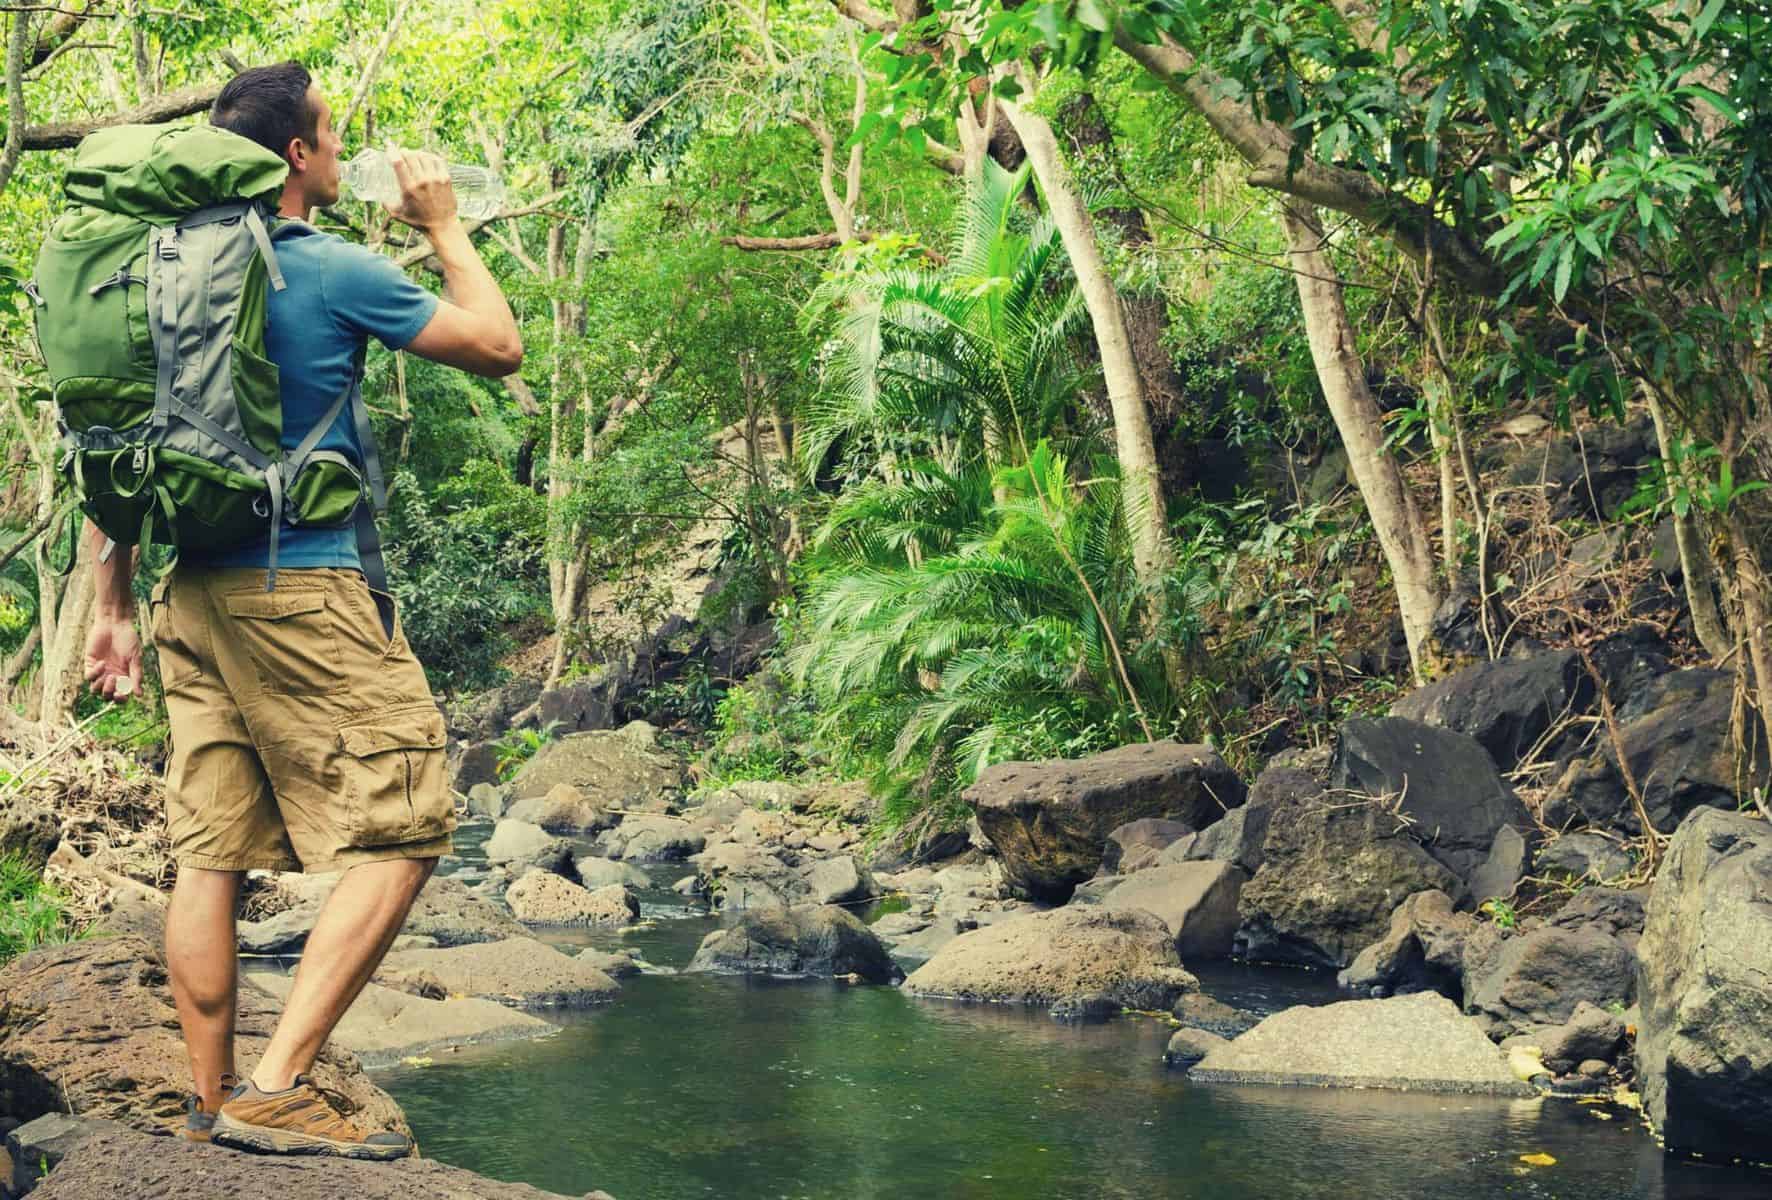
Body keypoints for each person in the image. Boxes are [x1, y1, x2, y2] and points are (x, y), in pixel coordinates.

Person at [79, 61, 521, 1160]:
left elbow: (113, 449)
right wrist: (445, 228)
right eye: (332, 137)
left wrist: (113, 604)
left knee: (210, 853)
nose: (341, 153)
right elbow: (498, 347)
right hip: (303, 585)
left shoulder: (155, 274)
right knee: (409, 826)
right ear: (294, 156)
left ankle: (209, 1095)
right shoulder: (328, 268)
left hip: (191, 592)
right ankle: (274, 1087)